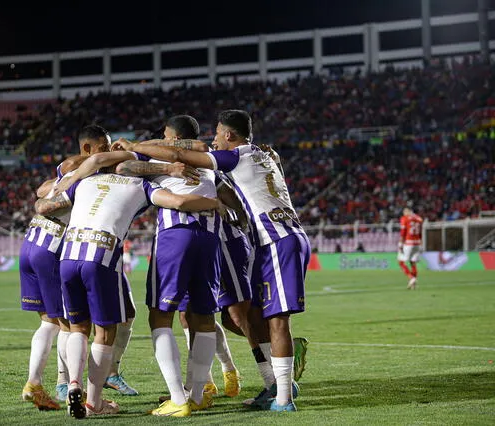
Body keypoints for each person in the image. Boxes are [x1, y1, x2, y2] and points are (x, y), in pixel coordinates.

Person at [114, 109, 310, 413]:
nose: (214, 138)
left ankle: (276, 389)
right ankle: (253, 381)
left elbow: (192, 157)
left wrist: (138, 147)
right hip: (235, 239)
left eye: (218, 133)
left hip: (229, 239)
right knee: (213, 316)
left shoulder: (221, 157)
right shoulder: (247, 156)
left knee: (237, 315)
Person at [35, 156, 222, 418]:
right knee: (104, 333)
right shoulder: (141, 186)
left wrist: (57, 187)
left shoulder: (84, 182)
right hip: (101, 257)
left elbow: (44, 205)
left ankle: (74, 384)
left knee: (77, 328)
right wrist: (213, 203)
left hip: (68, 257)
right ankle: (94, 403)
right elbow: (178, 202)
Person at [116, 115, 245, 399]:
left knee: (160, 316)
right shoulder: (207, 159)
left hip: (176, 234)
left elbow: (124, 165)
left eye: (164, 135)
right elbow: (226, 188)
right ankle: (198, 395)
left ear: (172, 139)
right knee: (202, 317)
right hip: (209, 237)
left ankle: (178, 398)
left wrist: (163, 166)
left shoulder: (161, 157)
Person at [20, 125, 113, 411]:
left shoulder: (68, 165)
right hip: (51, 247)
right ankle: (65, 385)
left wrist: (45, 195)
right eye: (103, 148)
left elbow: (41, 190)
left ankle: (34, 383)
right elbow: (44, 204)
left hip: (31, 241)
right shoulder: (85, 174)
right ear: (88, 149)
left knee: (48, 321)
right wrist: (46, 202)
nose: (107, 154)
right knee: (69, 325)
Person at [398, 207, 423, 290]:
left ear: (408, 211)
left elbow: (403, 232)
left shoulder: (405, 218)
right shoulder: (419, 219)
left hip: (408, 243)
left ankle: (411, 278)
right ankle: (413, 285)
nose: (404, 213)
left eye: (405, 211)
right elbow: (420, 232)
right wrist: (421, 242)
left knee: (401, 262)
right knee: (413, 262)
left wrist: (401, 243)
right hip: (418, 243)